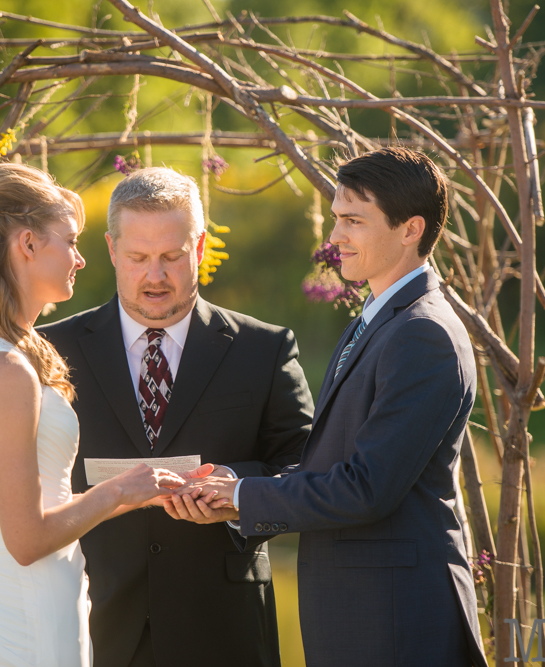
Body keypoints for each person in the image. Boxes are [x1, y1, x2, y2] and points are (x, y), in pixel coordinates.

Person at [171, 148, 490, 667]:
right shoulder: (379, 318)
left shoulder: (422, 334)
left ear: (411, 229)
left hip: (397, 621)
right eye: (337, 218)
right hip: (364, 615)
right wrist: (232, 484)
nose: (334, 236)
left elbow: (367, 487)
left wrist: (245, 498)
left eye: (352, 220)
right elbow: (337, 462)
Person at [37, 167, 314, 667]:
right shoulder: (51, 349)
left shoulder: (264, 349)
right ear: (112, 250)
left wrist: (237, 489)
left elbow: (305, 465)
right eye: (139, 258)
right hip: (91, 623)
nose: (155, 277)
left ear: (200, 248)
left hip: (225, 629)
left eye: (171, 257)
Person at [0, 163, 184, 667]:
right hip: (21, 625)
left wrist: (143, 489)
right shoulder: (4, 369)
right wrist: (120, 490)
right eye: (70, 240)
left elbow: (39, 507)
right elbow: (26, 539)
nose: (81, 259)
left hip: (34, 609)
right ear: (27, 244)